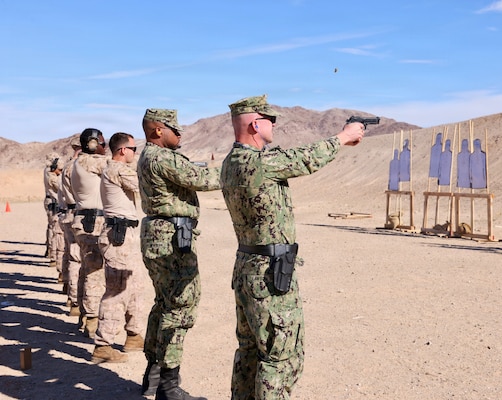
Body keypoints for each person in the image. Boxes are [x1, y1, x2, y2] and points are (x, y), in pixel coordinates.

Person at [220, 94, 364, 400]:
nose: (274, 125)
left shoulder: (230, 164)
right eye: (270, 120)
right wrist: (344, 137)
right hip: (270, 274)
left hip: (248, 266)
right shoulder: (258, 163)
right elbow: (304, 157)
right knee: (279, 358)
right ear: (255, 124)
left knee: (249, 352)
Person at [138, 108, 220, 399]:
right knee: (181, 306)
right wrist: (239, 168)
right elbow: (204, 180)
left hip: (161, 235)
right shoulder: (161, 157)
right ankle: (169, 388)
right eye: (174, 128)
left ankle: (154, 374)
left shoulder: (149, 156)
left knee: (164, 304)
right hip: (172, 238)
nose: (180, 133)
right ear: (157, 130)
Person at [91, 132, 146, 364]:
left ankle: (133, 334)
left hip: (124, 234)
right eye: (133, 149)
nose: (135, 153)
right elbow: (145, 185)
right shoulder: (117, 169)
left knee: (134, 286)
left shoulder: (113, 169)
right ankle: (103, 346)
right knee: (117, 290)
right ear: (123, 150)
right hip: (119, 236)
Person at [71, 128, 108, 338]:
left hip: (86, 219)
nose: (104, 147)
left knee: (86, 270)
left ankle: (85, 315)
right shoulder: (89, 161)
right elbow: (118, 166)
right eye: (101, 142)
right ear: (92, 144)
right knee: (95, 272)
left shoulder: (79, 161)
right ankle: (92, 321)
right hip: (92, 221)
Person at [59, 136, 83, 316]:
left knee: (72, 255)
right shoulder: (78, 166)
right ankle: (76, 301)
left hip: (70, 213)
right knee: (78, 259)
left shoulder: (68, 166)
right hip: (78, 214)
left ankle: (72, 296)